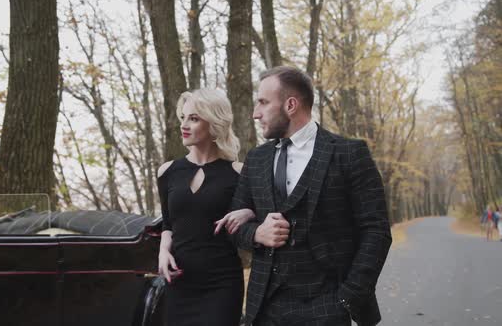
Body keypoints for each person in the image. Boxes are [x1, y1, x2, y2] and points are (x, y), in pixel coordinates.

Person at [228, 66, 392, 326]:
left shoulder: (349, 154)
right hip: (265, 307)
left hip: (328, 305)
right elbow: (234, 227)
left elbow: (376, 231)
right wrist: (257, 234)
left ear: (291, 105)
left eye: (263, 103)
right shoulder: (256, 160)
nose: (255, 113)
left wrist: (347, 299)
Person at [156, 88, 255, 326]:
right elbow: (168, 224)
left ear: (214, 123)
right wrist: (163, 252)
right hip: (180, 281)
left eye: (194, 118)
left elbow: (261, 215)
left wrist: (250, 212)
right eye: (183, 118)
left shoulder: (239, 173)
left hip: (222, 282)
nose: (184, 125)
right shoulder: (167, 172)